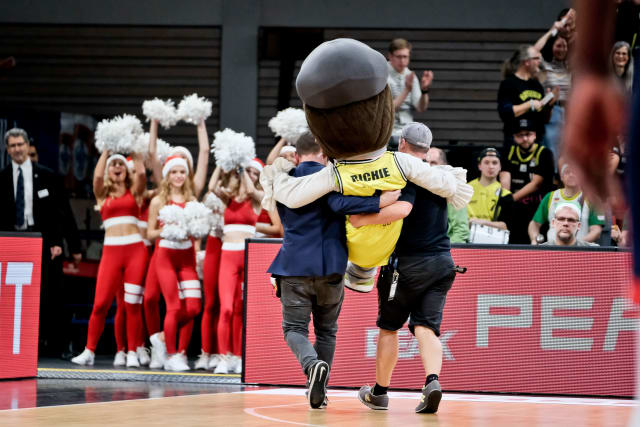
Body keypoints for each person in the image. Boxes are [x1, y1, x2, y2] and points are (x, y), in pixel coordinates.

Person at [268, 132, 393, 409]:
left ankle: (312, 366)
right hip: (332, 268)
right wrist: (381, 200)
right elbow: (351, 205)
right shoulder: (337, 181)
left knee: (294, 328)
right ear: (325, 154)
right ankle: (320, 391)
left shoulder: (283, 181)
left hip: (294, 266)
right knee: (326, 332)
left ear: (296, 156)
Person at [352, 122, 457, 414]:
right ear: (427, 149)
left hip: (408, 266)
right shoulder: (438, 177)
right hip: (443, 263)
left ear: (401, 144)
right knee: (426, 328)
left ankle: (379, 393)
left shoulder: (404, 174)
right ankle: (432, 382)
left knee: (389, 328)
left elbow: (403, 209)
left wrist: (362, 219)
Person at [0, 128, 81, 358]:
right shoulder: (1, 178)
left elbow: (62, 213)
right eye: (13, 146)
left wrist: (71, 246)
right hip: (10, 242)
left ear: (27, 146)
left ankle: (58, 344)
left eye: (20, 144)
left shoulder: (48, 176)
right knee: (11, 296)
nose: (17, 149)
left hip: (43, 242)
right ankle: (13, 344)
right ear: (7, 150)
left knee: (51, 294)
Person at [71, 151, 148, 367]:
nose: (117, 167)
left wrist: (134, 149)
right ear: (108, 170)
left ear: (126, 170)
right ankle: (89, 351)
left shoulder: (135, 191)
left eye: (120, 164)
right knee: (100, 304)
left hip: (135, 251)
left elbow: (142, 174)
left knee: (132, 304)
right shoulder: (102, 193)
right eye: (113, 164)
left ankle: (132, 352)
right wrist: (106, 149)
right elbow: (96, 176)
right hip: (111, 252)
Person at [146, 155, 202, 371]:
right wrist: (167, 229)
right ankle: (172, 354)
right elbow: (150, 234)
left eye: (182, 172)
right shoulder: (158, 201)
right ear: (167, 175)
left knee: (194, 307)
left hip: (187, 257)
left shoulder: (192, 201)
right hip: (166, 257)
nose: (178, 176)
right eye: (174, 172)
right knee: (174, 306)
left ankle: (162, 338)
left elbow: (197, 232)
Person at [209, 158, 264, 374]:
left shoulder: (258, 197)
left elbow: (250, 190)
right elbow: (212, 187)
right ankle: (224, 357)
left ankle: (240, 357)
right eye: (247, 171)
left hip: (247, 257)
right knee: (226, 308)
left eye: (254, 172)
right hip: (228, 256)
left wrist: (243, 171)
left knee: (241, 310)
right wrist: (221, 163)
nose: (250, 175)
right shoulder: (228, 197)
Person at [499, 118, 555, 244]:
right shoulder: (509, 151)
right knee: (514, 242)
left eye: (528, 134)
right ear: (514, 137)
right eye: (520, 135)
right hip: (516, 209)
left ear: (534, 135)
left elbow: (536, 183)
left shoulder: (544, 153)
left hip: (537, 208)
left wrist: (512, 198)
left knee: (537, 243)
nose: (524, 138)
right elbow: (505, 175)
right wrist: (506, 194)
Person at [528, 163, 604, 245]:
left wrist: (576, 244)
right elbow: (535, 223)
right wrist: (535, 239)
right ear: (561, 177)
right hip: (552, 249)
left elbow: (596, 231)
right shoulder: (550, 197)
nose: (571, 175)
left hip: (580, 250)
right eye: (567, 172)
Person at [497, 45, 551, 147]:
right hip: (516, 141)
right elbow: (505, 112)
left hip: (536, 141)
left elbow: (544, 119)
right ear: (527, 62)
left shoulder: (537, 85)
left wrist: (549, 104)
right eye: (536, 58)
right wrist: (530, 104)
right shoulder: (508, 83)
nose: (539, 61)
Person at [386, 38, 434, 149]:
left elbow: (420, 108)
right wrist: (406, 90)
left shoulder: (411, 75)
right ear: (390, 56)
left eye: (405, 57)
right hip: (387, 129)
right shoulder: (383, 74)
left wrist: (424, 91)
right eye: (399, 57)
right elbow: (388, 108)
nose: (402, 61)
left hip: (406, 129)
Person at [425, 146, 469, 243]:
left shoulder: (453, 190)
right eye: (425, 162)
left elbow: (460, 231)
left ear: (444, 165)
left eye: (433, 163)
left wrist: (449, 250)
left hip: (442, 249)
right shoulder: (416, 186)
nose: (428, 166)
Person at [467, 147, 514, 233]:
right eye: (486, 162)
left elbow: (506, 226)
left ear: (500, 167)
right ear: (479, 166)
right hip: (466, 236)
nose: (491, 166)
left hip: (491, 238)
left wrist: (480, 222)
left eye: (495, 163)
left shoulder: (505, 195)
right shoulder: (466, 189)